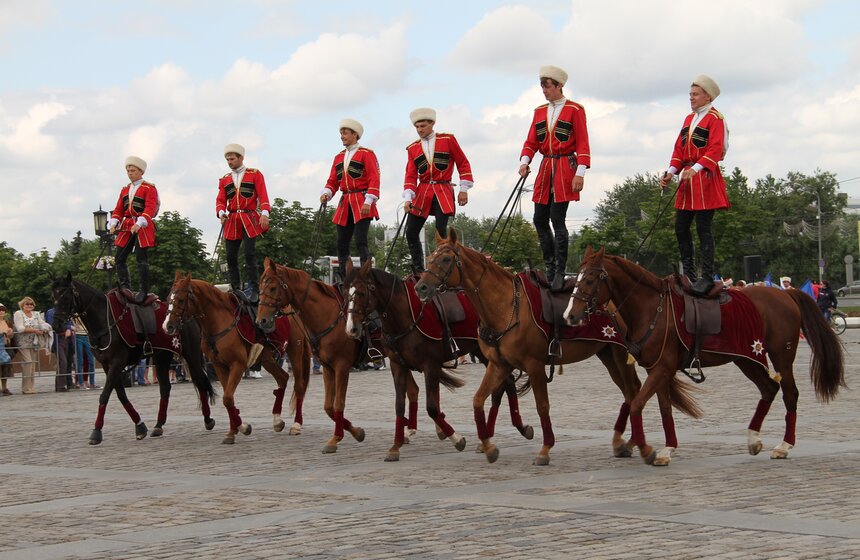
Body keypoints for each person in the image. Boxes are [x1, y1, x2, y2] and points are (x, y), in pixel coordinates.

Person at [519, 65, 591, 291]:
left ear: (559, 86)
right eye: (542, 86)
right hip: (545, 167)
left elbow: (583, 142)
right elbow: (531, 141)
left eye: (547, 86)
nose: (544, 90)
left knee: (557, 219)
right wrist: (524, 161)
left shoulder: (575, 109)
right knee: (539, 219)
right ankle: (549, 269)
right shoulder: (539, 111)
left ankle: (560, 271)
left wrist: (580, 172)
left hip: (565, 167)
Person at [659, 75, 730, 296]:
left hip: (704, 178)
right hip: (687, 181)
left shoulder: (716, 119)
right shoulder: (689, 119)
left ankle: (707, 277)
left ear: (708, 96)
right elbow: (679, 151)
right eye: (690, 94)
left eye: (695, 94)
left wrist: (696, 169)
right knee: (681, 227)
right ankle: (689, 274)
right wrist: (671, 172)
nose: (691, 98)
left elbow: (716, 149)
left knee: (703, 228)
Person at [402, 108, 474, 274]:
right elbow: (410, 175)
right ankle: (419, 271)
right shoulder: (412, 148)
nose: (420, 130)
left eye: (423, 126)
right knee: (411, 232)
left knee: (441, 231)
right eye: (417, 127)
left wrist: (464, 188)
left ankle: (444, 271)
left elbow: (463, 163)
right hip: (422, 192)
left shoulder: (448, 140)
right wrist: (408, 198)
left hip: (442, 190)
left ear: (432, 123)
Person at [320, 119, 380, 281]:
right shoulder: (338, 157)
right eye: (341, 133)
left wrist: (369, 201)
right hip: (345, 203)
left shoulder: (366, 153)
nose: (342, 136)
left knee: (361, 241)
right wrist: (327, 193)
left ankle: (367, 276)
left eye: (345, 133)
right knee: (341, 242)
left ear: (355, 135)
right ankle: (343, 277)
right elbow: (333, 180)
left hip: (362, 201)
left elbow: (374, 178)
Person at [216, 143, 271, 303]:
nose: (229, 162)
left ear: (241, 158)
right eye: (227, 159)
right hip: (232, 220)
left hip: (249, 218)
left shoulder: (254, 174)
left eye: (232, 159)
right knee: (230, 256)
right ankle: (236, 288)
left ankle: (254, 288)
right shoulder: (225, 179)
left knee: (249, 253)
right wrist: (221, 212)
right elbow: (220, 200)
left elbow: (263, 195)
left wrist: (265, 213)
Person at [108, 156, 159, 304]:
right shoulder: (125, 190)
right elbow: (119, 209)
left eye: (133, 170)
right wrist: (114, 223)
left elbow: (150, 208)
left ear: (141, 171)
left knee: (141, 258)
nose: (130, 173)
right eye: (128, 171)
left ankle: (143, 290)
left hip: (142, 225)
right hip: (127, 225)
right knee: (119, 258)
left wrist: (140, 222)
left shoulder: (149, 188)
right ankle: (126, 287)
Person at [12, 296, 52, 394]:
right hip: (23, 342)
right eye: (27, 304)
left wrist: (45, 328)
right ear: (22, 305)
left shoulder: (36, 314)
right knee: (28, 362)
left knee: (32, 365)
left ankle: (30, 387)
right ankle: (25, 388)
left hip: (34, 342)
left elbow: (43, 323)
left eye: (31, 304)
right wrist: (35, 330)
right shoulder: (18, 313)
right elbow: (20, 328)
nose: (29, 306)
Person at [45, 307, 74, 392]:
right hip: (58, 338)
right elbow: (54, 325)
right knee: (63, 362)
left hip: (68, 339)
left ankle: (68, 383)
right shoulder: (51, 312)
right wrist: (68, 327)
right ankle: (60, 385)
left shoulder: (66, 311)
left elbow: (70, 322)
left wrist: (69, 328)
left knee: (68, 361)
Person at [74, 316, 96, 389]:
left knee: (91, 360)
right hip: (78, 336)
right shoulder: (76, 314)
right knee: (80, 360)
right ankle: (81, 383)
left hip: (87, 335)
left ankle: (92, 383)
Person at [0, 303, 14, 395]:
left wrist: (10, 333)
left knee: (6, 368)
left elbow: (11, 336)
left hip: (6, 347)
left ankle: (4, 388)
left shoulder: (7, 322)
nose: (1, 311)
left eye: (3, 310)